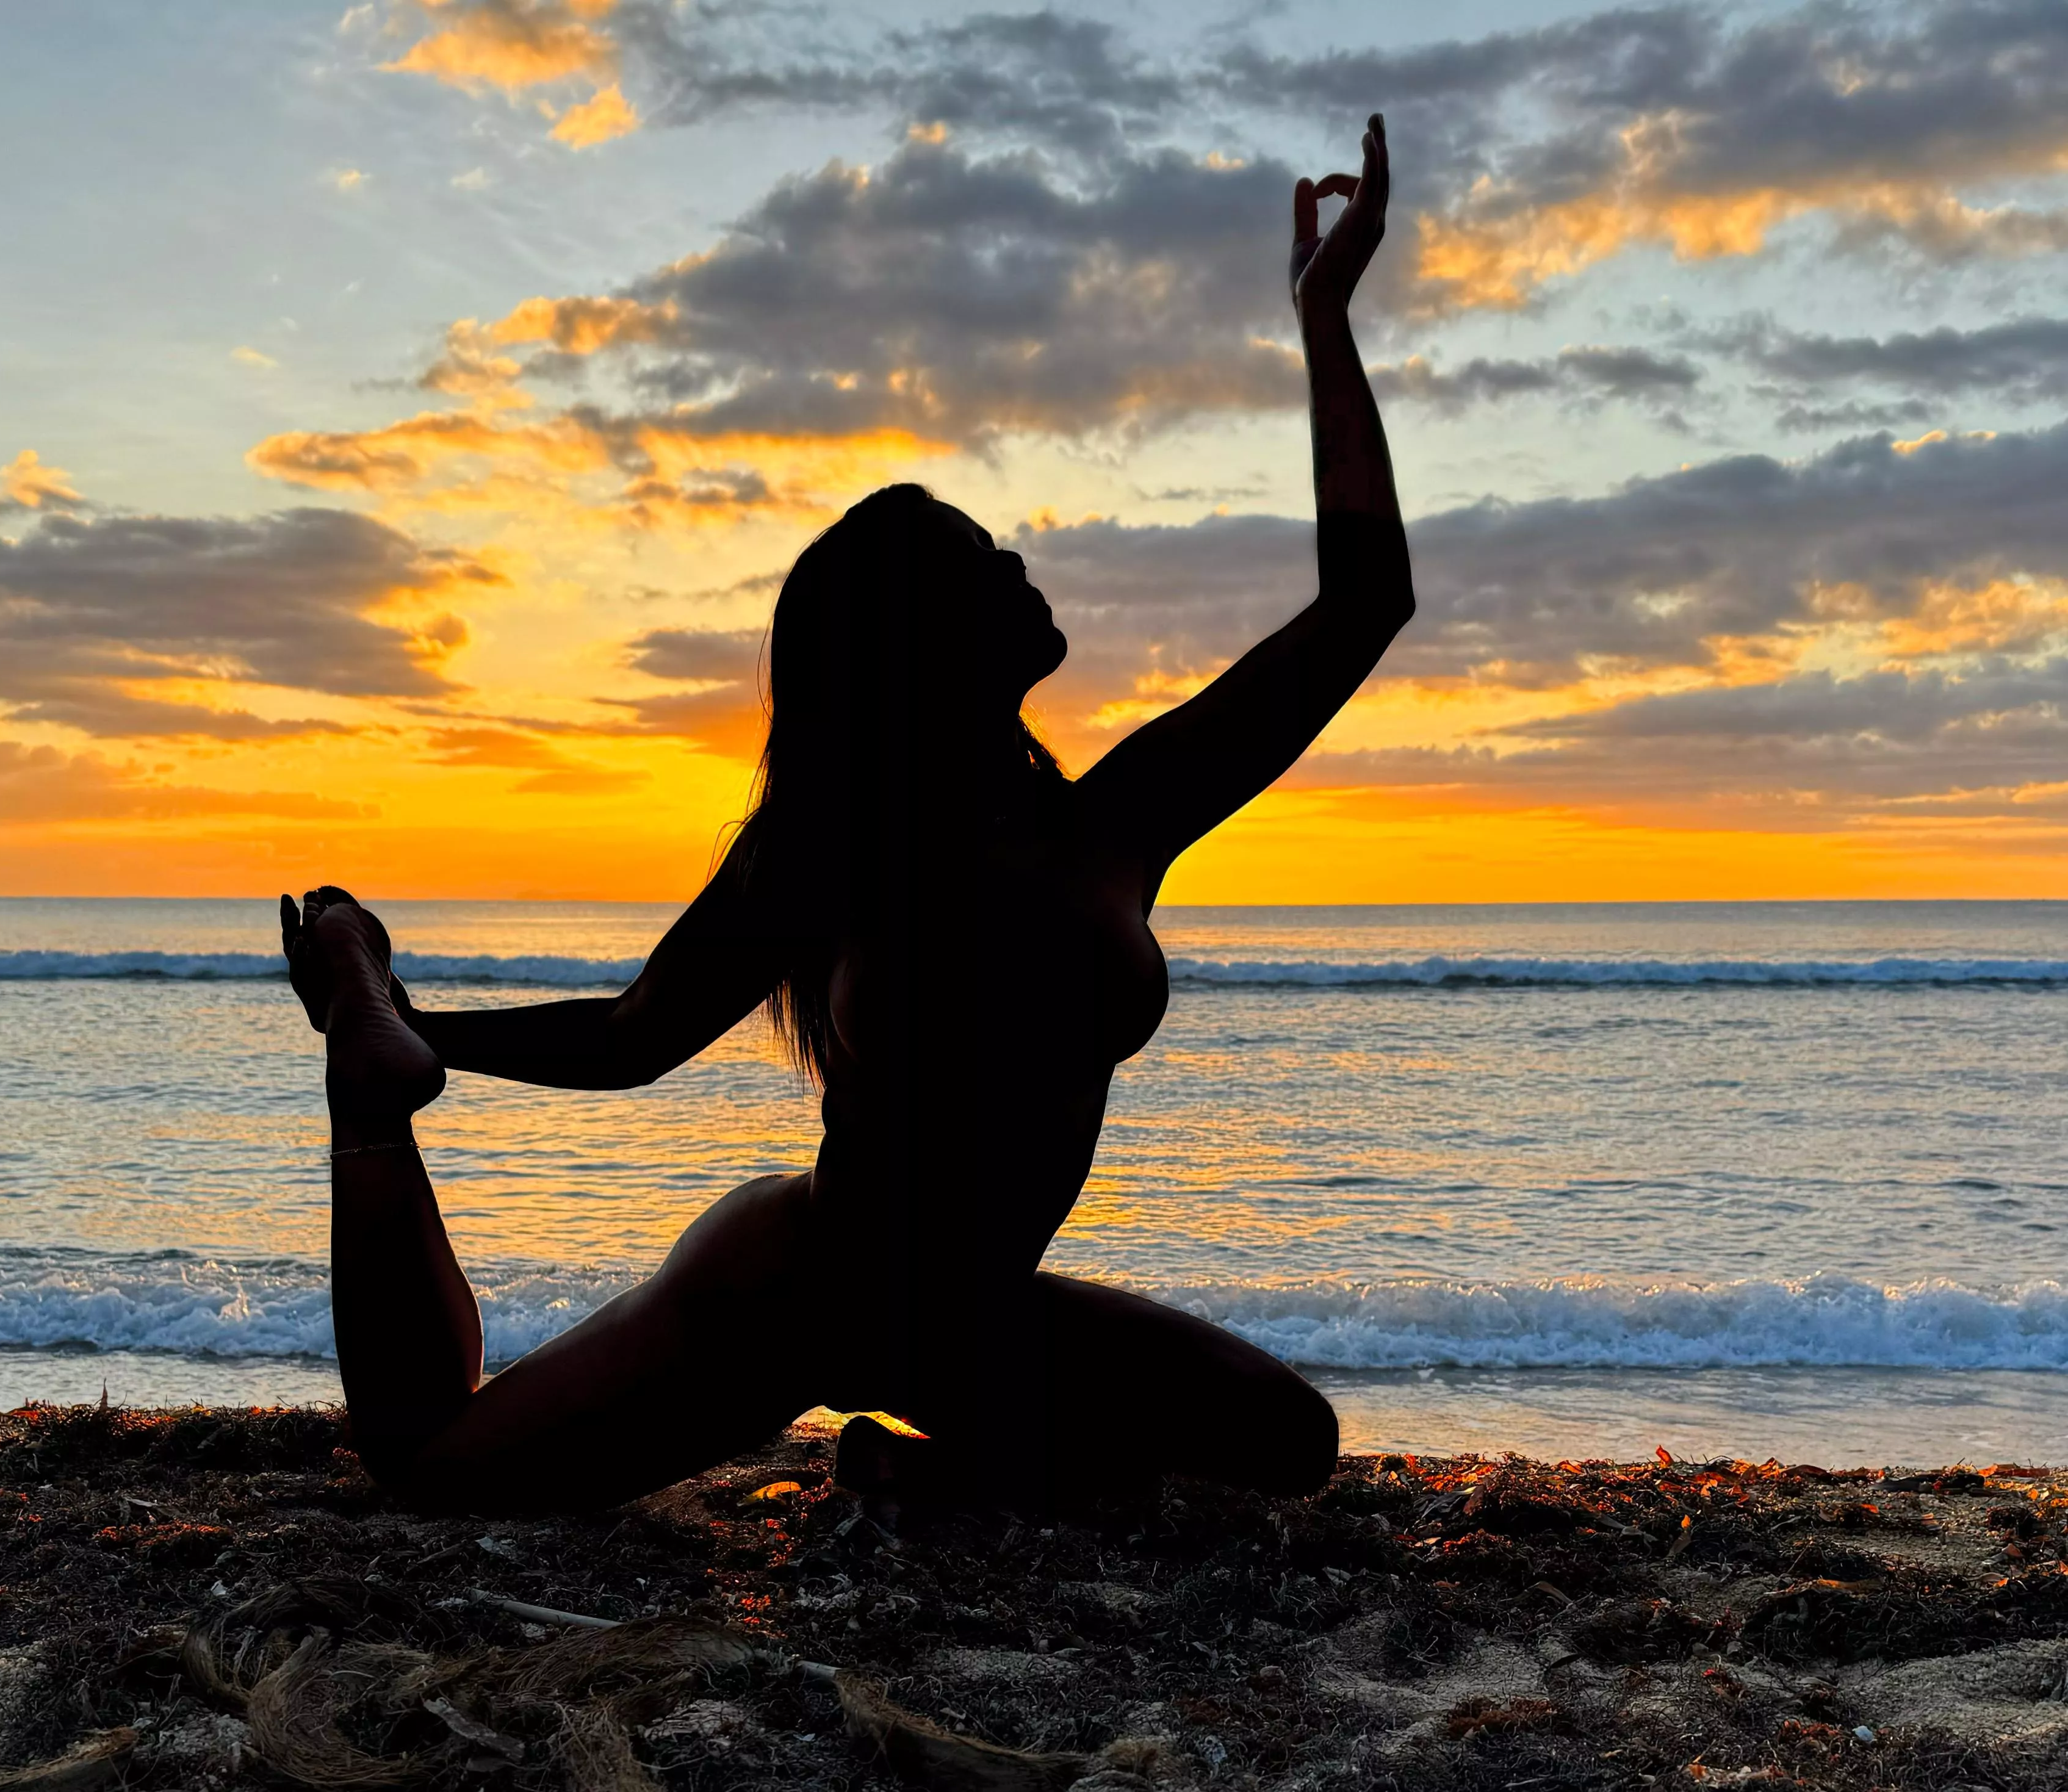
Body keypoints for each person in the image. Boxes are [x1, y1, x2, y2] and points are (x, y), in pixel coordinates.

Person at [282, 115, 1413, 1516]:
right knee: (434, 1469)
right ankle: (365, 1103)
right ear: (922, 642)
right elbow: (633, 1038)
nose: (1016, 561)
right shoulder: (847, 847)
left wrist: (1321, 319)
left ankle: (912, 1470)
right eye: (977, 558)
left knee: (1285, 1443)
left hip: (967, 1318)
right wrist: (411, 1040)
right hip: (802, 1296)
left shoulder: (1113, 818)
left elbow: (1364, 605)